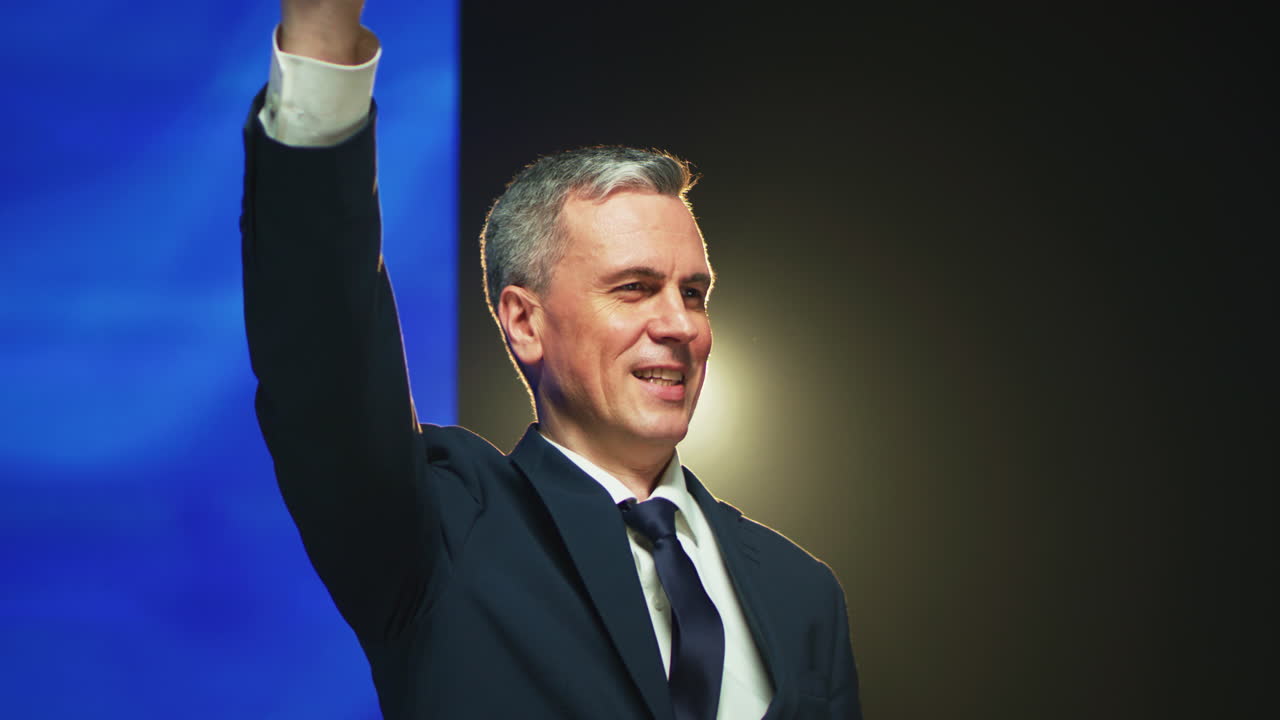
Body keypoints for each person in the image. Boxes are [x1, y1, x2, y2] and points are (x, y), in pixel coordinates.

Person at [241, 1, 861, 718]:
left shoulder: (802, 592)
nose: (678, 323)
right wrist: (323, 32)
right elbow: (324, 350)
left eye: (693, 292)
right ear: (524, 323)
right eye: (634, 288)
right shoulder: (441, 533)